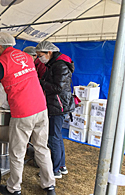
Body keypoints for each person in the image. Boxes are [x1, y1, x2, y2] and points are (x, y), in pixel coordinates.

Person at [0, 32, 56, 195]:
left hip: (23, 111)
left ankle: (13, 188)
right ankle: (49, 185)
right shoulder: (27, 57)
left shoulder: (1, 63)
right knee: (42, 148)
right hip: (41, 108)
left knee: (17, 152)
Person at [36, 41, 75, 179]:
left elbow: (58, 87)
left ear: (49, 52)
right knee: (57, 136)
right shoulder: (54, 64)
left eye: (40, 55)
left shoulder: (59, 65)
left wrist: (40, 82)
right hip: (57, 104)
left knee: (53, 137)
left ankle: (55, 169)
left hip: (57, 105)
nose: (39, 58)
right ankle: (61, 166)